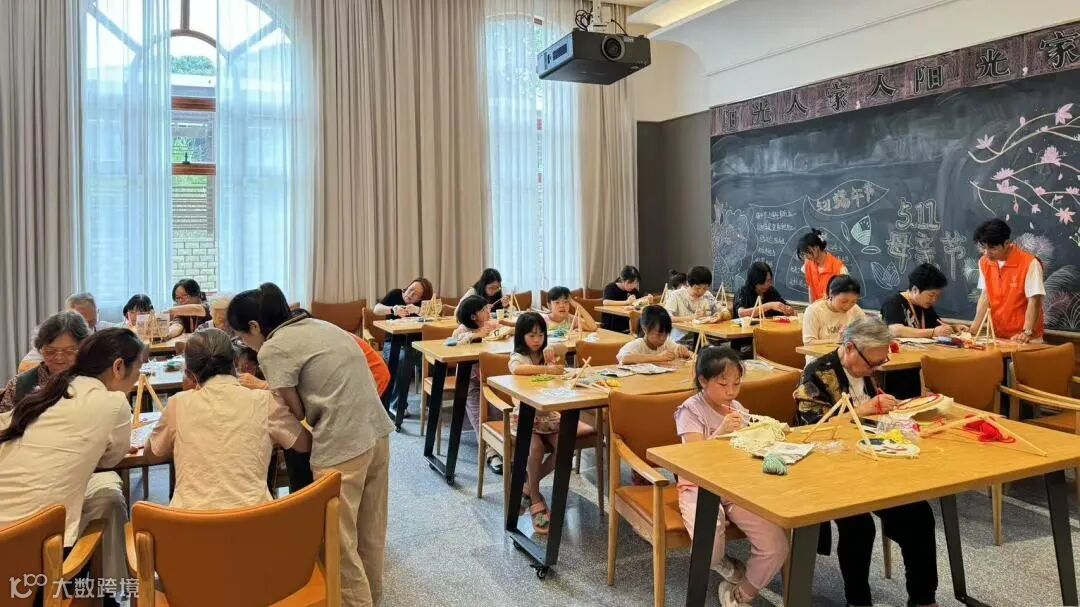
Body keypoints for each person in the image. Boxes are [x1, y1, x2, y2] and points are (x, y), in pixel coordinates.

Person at [228, 283, 394, 607]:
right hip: (377, 432)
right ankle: (372, 599)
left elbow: (298, 411)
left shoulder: (272, 349)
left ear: (254, 327)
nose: (243, 344)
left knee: (337, 543)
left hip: (342, 446)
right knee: (370, 534)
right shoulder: (321, 325)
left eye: (241, 336)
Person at [793, 318, 939, 607]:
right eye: (873, 362)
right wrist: (863, 411)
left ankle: (923, 599)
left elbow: (874, 413)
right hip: (829, 466)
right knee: (859, 526)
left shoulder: (866, 370)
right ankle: (858, 600)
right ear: (850, 348)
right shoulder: (817, 373)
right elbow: (811, 428)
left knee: (919, 515)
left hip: (873, 461)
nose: (876, 368)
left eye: (881, 361)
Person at [0, 328, 143, 597]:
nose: (137, 379)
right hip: (33, 562)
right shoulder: (112, 403)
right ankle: (110, 594)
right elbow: (112, 458)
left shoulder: (47, 395)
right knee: (105, 498)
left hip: (9, 543)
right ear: (118, 367)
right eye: (138, 370)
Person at [143, 329, 311, 509]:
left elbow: (151, 455)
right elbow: (304, 444)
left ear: (190, 374)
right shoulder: (264, 401)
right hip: (254, 519)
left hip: (191, 521)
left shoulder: (178, 404)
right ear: (235, 362)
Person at [676, 346, 788, 607]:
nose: (731, 391)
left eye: (736, 384)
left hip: (736, 485)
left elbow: (746, 447)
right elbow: (692, 458)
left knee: (776, 544)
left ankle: (743, 592)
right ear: (703, 380)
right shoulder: (689, 410)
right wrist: (721, 432)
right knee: (709, 546)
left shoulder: (736, 407)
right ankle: (723, 564)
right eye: (723, 384)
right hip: (698, 485)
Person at [507, 312, 568, 534]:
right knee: (535, 448)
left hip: (548, 415)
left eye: (541, 335)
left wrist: (553, 349)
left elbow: (565, 347)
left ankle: (526, 486)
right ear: (521, 336)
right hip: (525, 416)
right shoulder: (519, 356)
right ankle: (535, 496)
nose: (537, 340)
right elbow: (517, 369)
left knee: (565, 447)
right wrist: (547, 369)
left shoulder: (546, 352)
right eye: (532, 335)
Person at [971, 218, 1045, 343]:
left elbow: (1034, 301)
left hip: (1026, 339)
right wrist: (973, 329)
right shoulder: (984, 262)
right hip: (999, 336)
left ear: (1006, 243)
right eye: (984, 247)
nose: (987, 253)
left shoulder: (1029, 263)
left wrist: (1027, 332)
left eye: (992, 248)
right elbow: (985, 296)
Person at [2, 311, 92, 413]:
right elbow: (4, 420)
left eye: (69, 351)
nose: (59, 358)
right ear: (40, 349)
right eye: (50, 351)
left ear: (83, 349)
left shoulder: (94, 382)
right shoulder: (19, 384)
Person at [19, 292, 112, 371]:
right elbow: (25, 366)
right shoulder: (54, 335)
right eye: (79, 321)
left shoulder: (104, 328)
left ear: (97, 313)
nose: (86, 327)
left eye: (91, 322)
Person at [454, 295, 502, 441]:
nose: (488, 311)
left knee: (498, 412)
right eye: (483, 310)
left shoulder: (490, 325)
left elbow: (503, 332)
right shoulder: (462, 330)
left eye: (487, 308)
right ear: (473, 316)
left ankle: (500, 445)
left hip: (490, 377)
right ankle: (487, 448)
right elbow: (455, 343)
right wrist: (475, 335)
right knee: (478, 415)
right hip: (470, 379)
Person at [801, 275, 866, 364]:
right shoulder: (814, 311)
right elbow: (809, 343)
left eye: (853, 301)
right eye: (844, 301)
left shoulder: (855, 309)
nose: (848, 306)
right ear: (831, 293)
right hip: (819, 361)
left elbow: (867, 330)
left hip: (846, 360)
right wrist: (838, 340)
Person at [664, 266, 729, 346]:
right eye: (697, 288)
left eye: (705, 288)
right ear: (688, 283)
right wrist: (692, 317)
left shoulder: (707, 295)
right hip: (680, 340)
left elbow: (726, 312)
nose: (701, 291)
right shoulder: (676, 295)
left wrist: (721, 315)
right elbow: (666, 318)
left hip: (704, 338)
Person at [616, 305, 692, 364]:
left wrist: (685, 352)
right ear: (645, 329)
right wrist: (658, 357)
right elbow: (624, 358)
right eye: (659, 334)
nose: (663, 338)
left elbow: (682, 350)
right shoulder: (638, 344)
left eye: (666, 334)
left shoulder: (667, 343)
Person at [799, 228, 848, 302]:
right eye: (803, 253)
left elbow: (844, 297)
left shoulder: (840, 269)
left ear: (817, 247)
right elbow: (810, 288)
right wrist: (811, 307)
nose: (806, 256)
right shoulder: (807, 264)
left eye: (807, 252)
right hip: (816, 307)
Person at [601, 265, 647, 333]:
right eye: (630, 282)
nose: (633, 285)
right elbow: (605, 302)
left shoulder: (633, 290)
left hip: (628, 324)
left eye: (635, 283)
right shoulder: (611, 287)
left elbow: (639, 301)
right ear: (622, 280)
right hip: (612, 325)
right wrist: (627, 302)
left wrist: (647, 299)